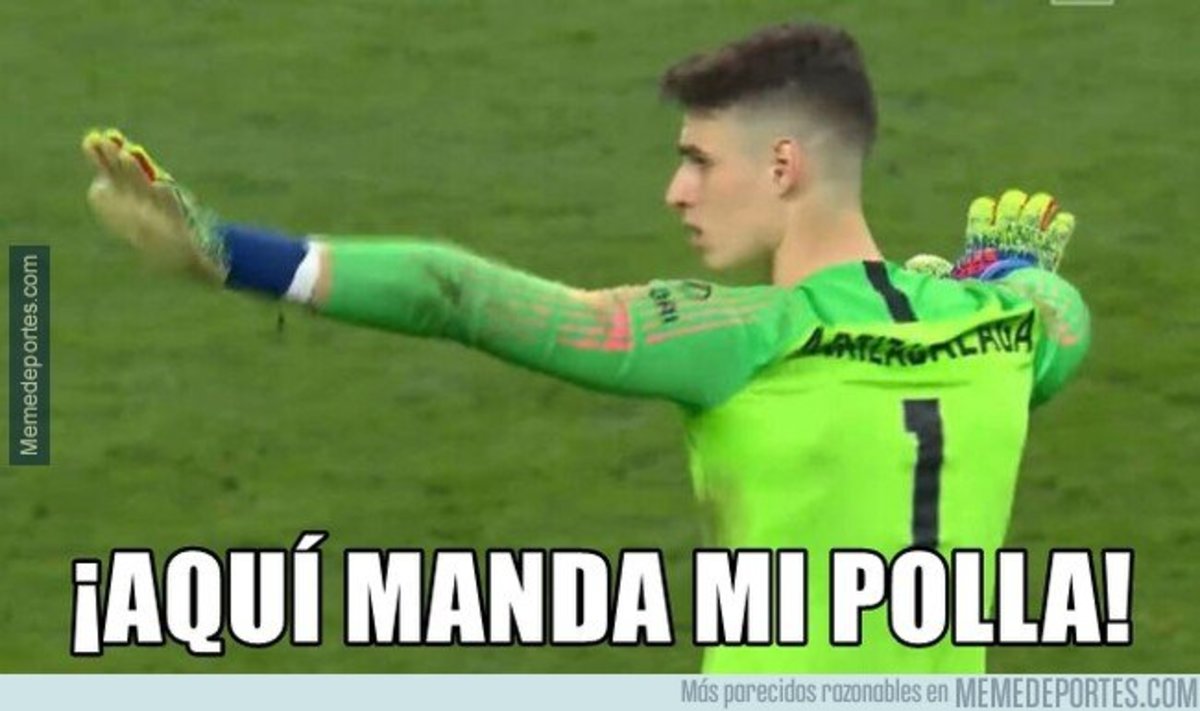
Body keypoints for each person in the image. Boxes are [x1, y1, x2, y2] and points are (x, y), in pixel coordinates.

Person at [81, 22, 1089, 672]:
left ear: (783, 165)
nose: (676, 192)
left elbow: (451, 293)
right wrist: (1001, 270)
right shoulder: (1005, 336)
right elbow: (1063, 313)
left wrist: (231, 254)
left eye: (699, 161)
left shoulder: (736, 339)